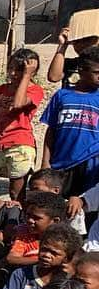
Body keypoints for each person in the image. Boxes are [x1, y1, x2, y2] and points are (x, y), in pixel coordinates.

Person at [0, 48, 44, 201]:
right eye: (11, 69)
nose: (13, 74)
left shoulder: (35, 90)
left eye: (19, 70)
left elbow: (18, 104)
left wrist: (27, 75)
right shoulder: (2, 89)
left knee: (16, 194)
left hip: (20, 144)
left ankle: (17, 222)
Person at [41, 47, 99, 197]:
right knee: (55, 207)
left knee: (84, 208)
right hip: (60, 162)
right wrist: (46, 162)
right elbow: (51, 130)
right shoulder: (62, 96)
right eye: (96, 72)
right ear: (81, 71)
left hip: (90, 163)